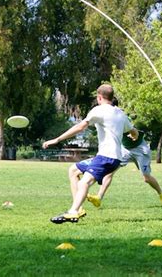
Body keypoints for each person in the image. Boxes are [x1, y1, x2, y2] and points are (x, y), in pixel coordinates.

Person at [42, 84, 137, 224]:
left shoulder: (98, 110)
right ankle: (78, 209)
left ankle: (73, 212)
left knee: (84, 182)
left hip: (106, 157)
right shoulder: (120, 113)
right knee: (73, 170)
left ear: (99, 97)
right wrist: (133, 136)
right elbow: (133, 131)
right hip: (113, 158)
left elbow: (80, 126)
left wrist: (57, 139)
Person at [86, 98, 162, 208]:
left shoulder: (121, 115)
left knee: (146, 178)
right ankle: (99, 198)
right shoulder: (107, 116)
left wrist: (133, 133)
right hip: (125, 150)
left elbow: (134, 129)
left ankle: (161, 194)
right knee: (109, 172)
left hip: (140, 149)